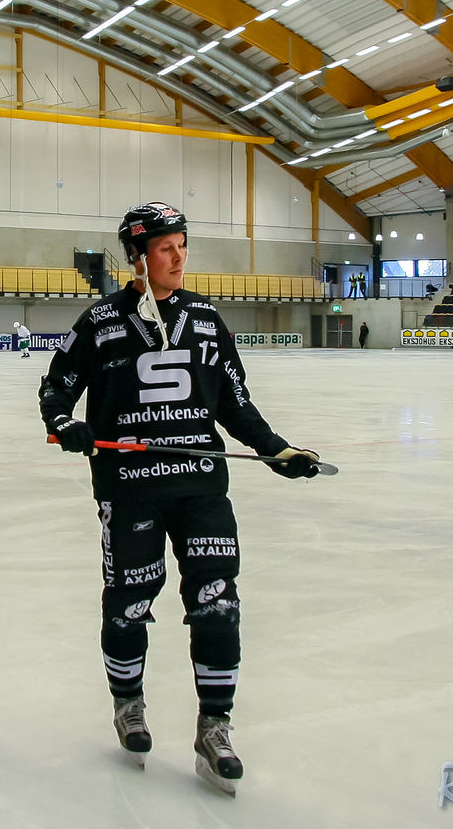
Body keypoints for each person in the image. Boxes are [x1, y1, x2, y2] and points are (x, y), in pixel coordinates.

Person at [39, 201, 322, 795]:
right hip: (129, 490)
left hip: (201, 488)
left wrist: (278, 450)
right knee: (129, 603)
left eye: (182, 246)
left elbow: (235, 403)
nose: (179, 257)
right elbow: (56, 387)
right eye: (166, 248)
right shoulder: (100, 322)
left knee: (218, 602)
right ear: (137, 257)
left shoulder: (206, 319)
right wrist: (65, 423)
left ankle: (214, 726)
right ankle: (128, 704)